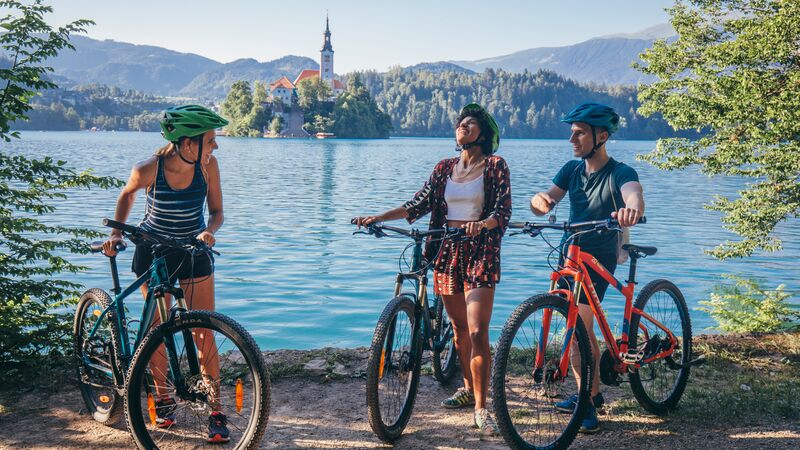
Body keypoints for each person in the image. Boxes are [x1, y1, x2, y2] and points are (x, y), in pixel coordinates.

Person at [354, 103, 512, 438]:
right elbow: (418, 204)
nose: (462, 127)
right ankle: (468, 389)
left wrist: (483, 224)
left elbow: (503, 211)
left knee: (477, 330)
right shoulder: (444, 168)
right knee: (457, 329)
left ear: (483, 133)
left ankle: (483, 409)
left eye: (470, 124)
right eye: (459, 124)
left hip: (480, 252)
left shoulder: (495, 166)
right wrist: (377, 217)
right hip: (444, 250)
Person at [102, 104, 231, 443]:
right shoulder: (148, 169)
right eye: (211, 140)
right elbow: (126, 195)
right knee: (158, 331)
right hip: (153, 250)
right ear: (188, 144)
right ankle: (163, 401)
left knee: (204, 329)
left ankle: (216, 410)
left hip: (193, 249)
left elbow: (217, 212)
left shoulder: (209, 167)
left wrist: (209, 231)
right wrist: (117, 235)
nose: (215, 147)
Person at [530, 102, 645, 433]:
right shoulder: (571, 170)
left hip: (599, 254)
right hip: (571, 253)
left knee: (579, 330)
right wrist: (540, 202)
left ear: (602, 136)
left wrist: (631, 210)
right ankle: (590, 396)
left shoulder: (619, 172)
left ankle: (587, 406)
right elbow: (547, 198)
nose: (572, 139)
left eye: (579, 133)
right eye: (572, 132)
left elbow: (633, 194)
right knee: (576, 325)